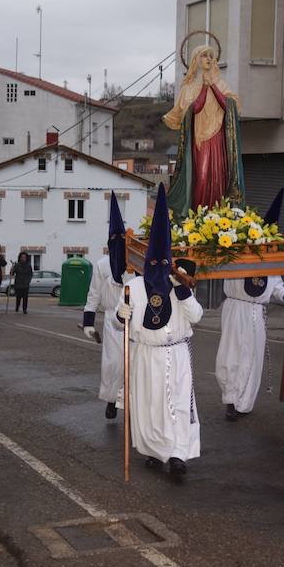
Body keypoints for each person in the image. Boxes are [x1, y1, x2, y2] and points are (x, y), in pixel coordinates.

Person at [113, 183, 203, 477]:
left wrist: (182, 293)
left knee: (176, 405)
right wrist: (120, 313)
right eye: (153, 262)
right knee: (149, 405)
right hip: (145, 354)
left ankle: (178, 454)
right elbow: (118, 322)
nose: (157, 267)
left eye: (163, 262)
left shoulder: (179, 284)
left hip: (175, 354)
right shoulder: (133, 287)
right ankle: (153, 449)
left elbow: (197, 316)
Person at [215, 190, 284, 421]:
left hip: (257, 312)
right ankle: (230, 397)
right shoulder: (237, 254)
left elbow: (277, 286)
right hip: (236, 309)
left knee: (252, 357)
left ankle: (243, 402)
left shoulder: (271, 263)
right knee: (231, 355)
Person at [163, 44, 245, 217]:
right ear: (195, 60)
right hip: (199, 140)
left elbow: (230, 106)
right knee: (201, 177)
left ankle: (217, 215)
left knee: (218, 179)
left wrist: (213, 87)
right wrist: (204, 88)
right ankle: (197, 217)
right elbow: (193, 109)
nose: (208, 59)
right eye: (204, 55)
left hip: (219, 140)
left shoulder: (221, 85)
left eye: (210, 56)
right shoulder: (188, 88)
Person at [83, 193, 131, 419]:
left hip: (134, 322)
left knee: (135, 365)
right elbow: (93, 294)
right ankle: (112, 400)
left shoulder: (134, 267)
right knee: (113, 365)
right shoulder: (101, 266)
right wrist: (88, 322)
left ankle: (132, 403)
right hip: (113, 321)